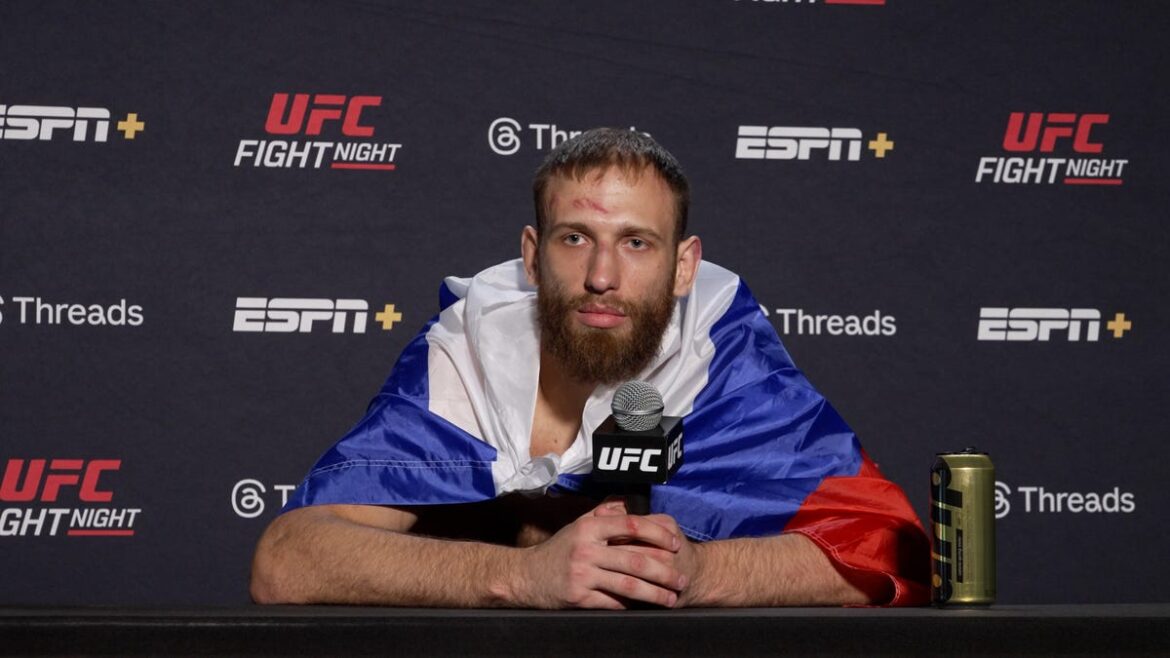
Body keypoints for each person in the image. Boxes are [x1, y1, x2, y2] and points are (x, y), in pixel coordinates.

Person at [250, 128, 929, 608]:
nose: (602, 276)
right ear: (532, 256)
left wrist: (699, 571)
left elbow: (891, 549)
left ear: (684, 267)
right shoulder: (467, 351)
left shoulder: (722, 359)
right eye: (575, 238)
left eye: (636, 242)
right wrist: (523, 577)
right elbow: (286, 559)